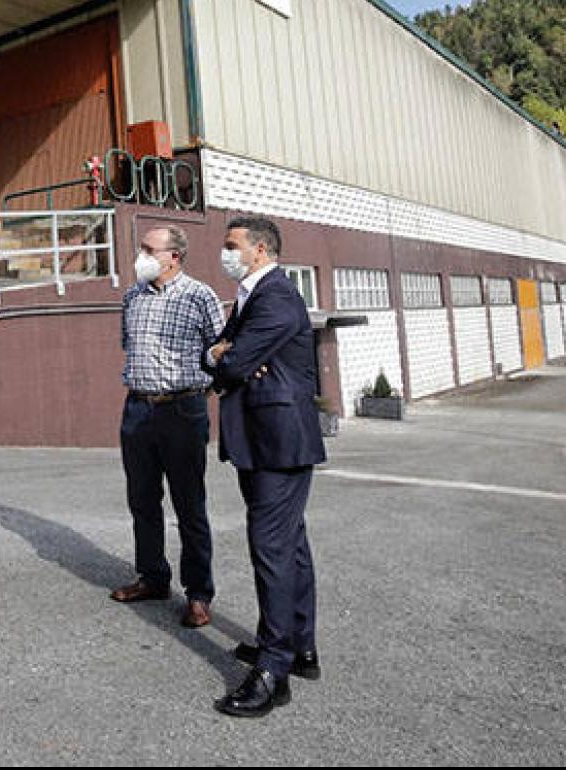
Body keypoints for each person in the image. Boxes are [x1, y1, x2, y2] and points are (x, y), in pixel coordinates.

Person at [204, 216, 326, 718]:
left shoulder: (276, 296)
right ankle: (299, 646)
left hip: (279, 442)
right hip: (263, 439)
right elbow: (219, 354)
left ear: (259, 249)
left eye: (231, 246)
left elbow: (229, 363)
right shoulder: (252, 296)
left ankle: (273, 670)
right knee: (289, 542)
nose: (224, 253)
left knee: (271, 547)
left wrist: (228, 356)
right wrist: (225, 353)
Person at [111, 225, 225, 628]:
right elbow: (130, 345)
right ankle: (153, 577)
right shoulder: (132, 296)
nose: (140, 255)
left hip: (182, 409)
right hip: (138, 409)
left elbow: (220, 353)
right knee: (142, 499)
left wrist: (196, 397)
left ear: (173, 256)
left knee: (189, 504)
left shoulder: (200, 295)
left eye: (148, 249)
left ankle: (198, 594)